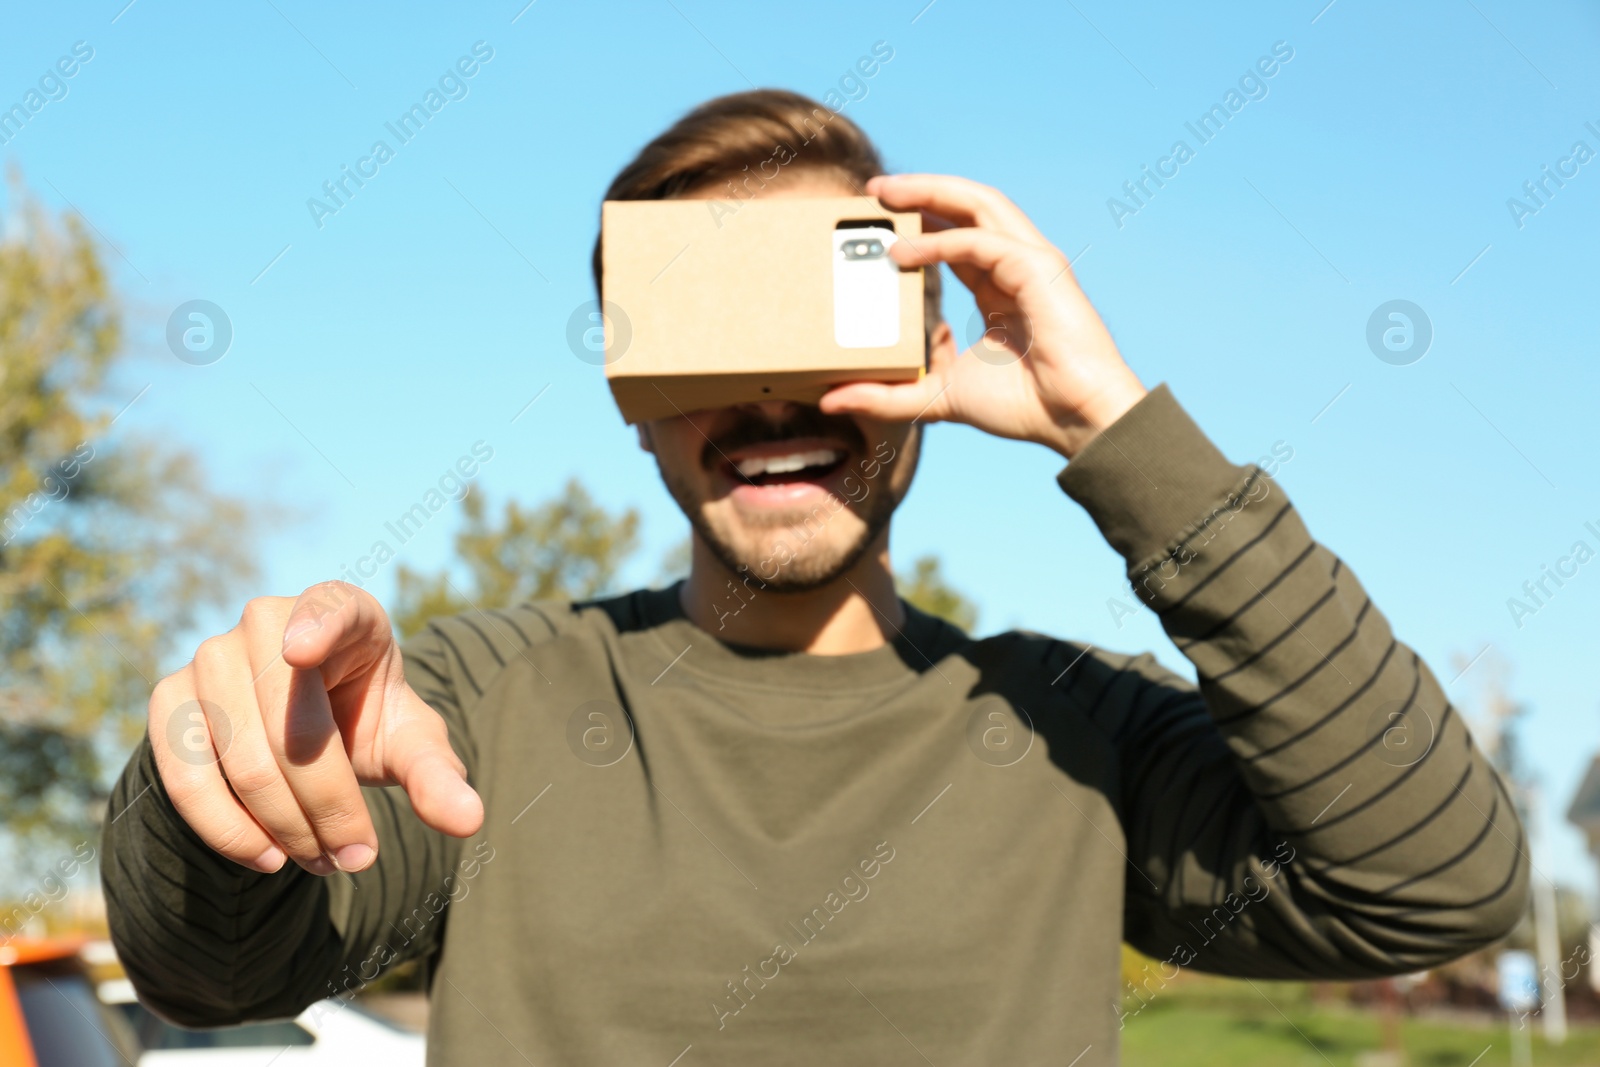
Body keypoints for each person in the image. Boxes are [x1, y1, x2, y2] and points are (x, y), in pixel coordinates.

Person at [103, 90, 1529, 1065]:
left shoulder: (1072, 727)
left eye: (826, 319)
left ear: (927, 352)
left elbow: (1435, 886)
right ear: (631, 390)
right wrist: (210, 781)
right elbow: (211, 971)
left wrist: (1121, 431)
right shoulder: (487, 702)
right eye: (708, 334)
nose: (777, 394)